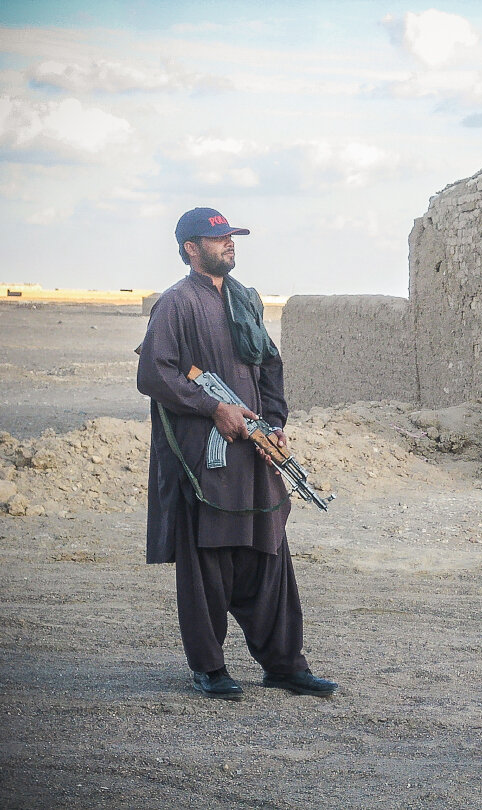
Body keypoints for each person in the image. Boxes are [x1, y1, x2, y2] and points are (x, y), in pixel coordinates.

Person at [136, 206, 338, 701]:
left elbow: (269, 362)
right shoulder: (176, 304)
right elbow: (154, 375)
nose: (230, 245)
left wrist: (275, 423)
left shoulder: (245, 300)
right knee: (208, 559)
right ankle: (210, 667)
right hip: (203, 458)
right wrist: (212, 408)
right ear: (190, 248)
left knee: (268, 554)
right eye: (219, 238)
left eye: (232, 238)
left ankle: (285, 665)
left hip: (254, 450)